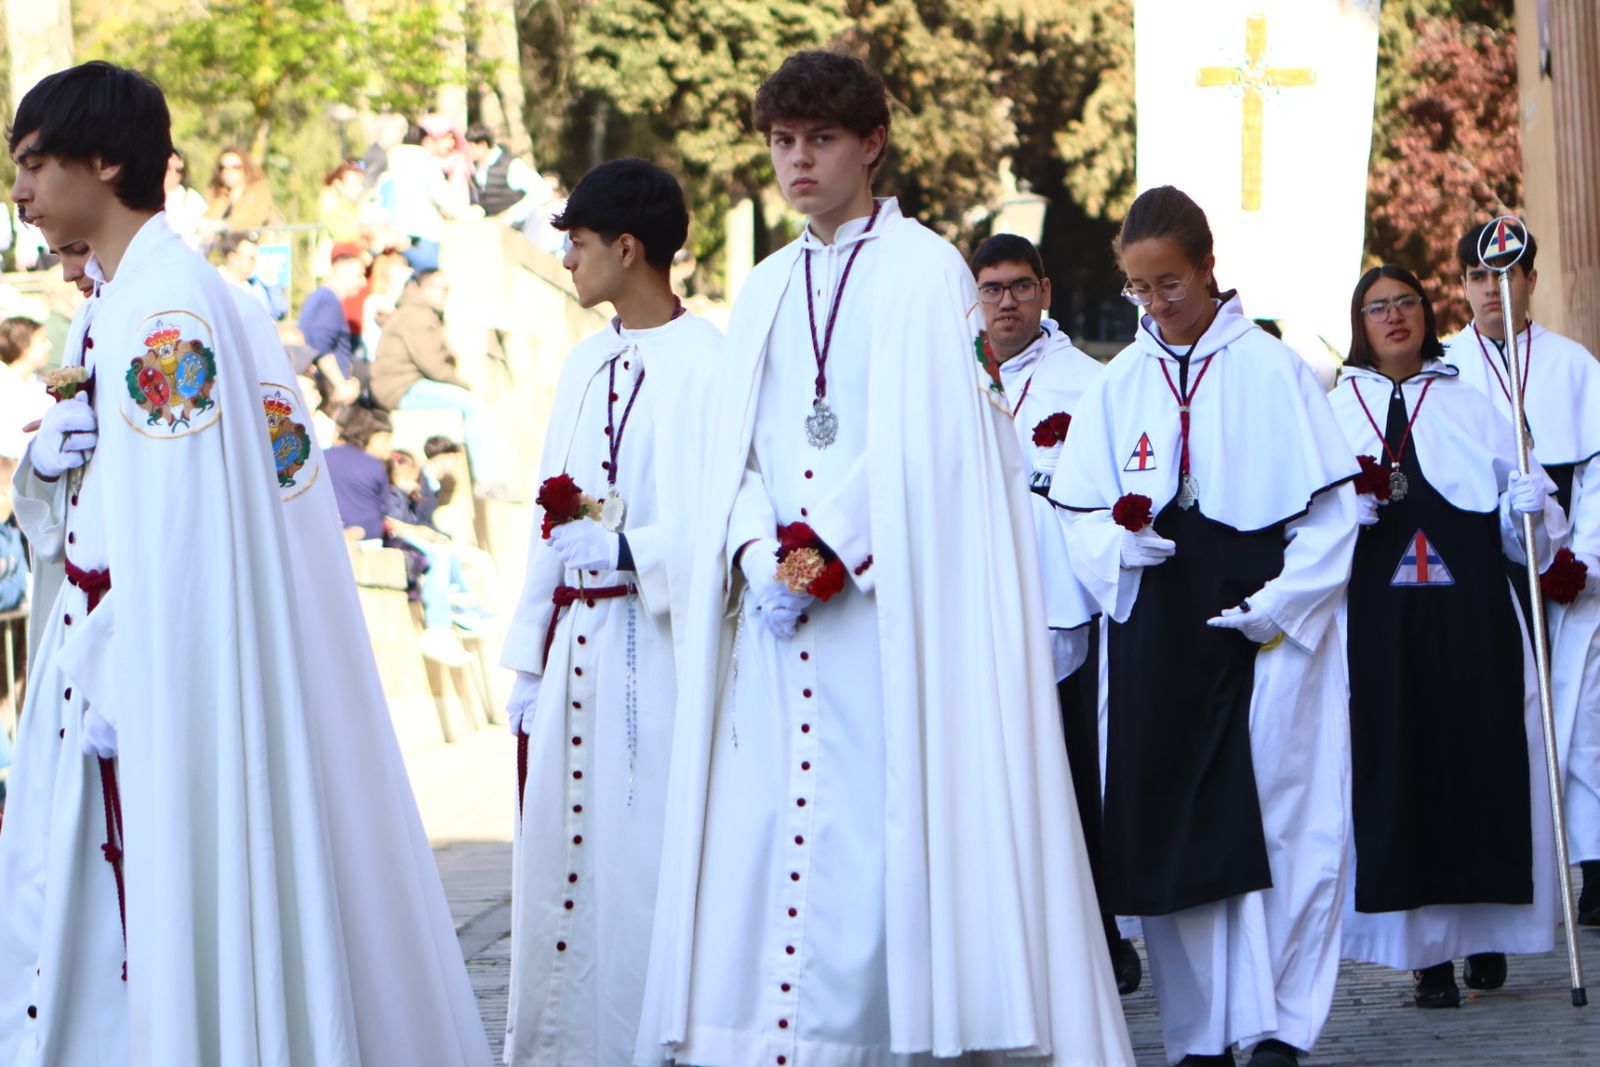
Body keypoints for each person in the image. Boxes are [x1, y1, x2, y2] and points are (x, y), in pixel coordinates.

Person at [635, 50, 1134, 1067]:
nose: (797, 160)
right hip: (777, 615)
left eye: (819, 139)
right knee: (772, 831)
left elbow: (940, 434)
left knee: (878, 832)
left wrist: (825, 552)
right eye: (781, 141)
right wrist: (750, 547)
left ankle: (889, 1034)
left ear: (870, 143)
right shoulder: (768, 282)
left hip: (885, 613)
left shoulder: (926, 268)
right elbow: (730, 448)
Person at [0, 61, 492, 1066]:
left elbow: (184, 525)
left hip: (133, 665)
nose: (19, 190)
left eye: (35, 164)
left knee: (141, 924)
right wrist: (48, 478)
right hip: (106, 642)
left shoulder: (168, 309)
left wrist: (125, 662)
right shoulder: (129, 295)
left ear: (106, 159)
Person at [1051, 185, 1359, 1067]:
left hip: (1258, 629)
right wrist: (1114, 544)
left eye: (1169, 286)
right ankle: (1199, 1032)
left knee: (1276, 817)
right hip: (1158, 629)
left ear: (1208, 269)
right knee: (1169, 820)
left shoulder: (1274, 371)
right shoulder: (1118, 384)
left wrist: (1286, 601)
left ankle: (1275, 1022)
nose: (1154, 306)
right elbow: (1075, 513)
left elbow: (1331, 516)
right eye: (1138, 290)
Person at [499, 157, 720, 1066]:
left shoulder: (712, 363)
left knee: (644, 865)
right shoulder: (585, 361)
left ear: (629, 248)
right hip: (573, 649)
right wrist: (524, 654)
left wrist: (636, 551)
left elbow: (724, 518)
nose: (566, 261)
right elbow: (550, 518)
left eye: (578, 244)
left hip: (657, 648)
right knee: (559, 860)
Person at [1331, 264, 1564, 1009]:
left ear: (1426, 314)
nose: (1393, 316)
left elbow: (1526, 525)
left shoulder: (1472, 402)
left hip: (1471, 621)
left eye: (1405, 303)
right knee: (1396, 766)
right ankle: (1423, 959)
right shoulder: (1335, 410)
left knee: (1479, 759)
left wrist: (1530, 506)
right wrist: (1340, 521)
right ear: (1359, 322)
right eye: (1377, 307)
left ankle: (1483, 931)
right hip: (1378, 624)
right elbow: (1298, 526)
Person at [970, 232, 1143, 996]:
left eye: (1018, 286)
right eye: (991, 287)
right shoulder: (949, 375)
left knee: (1075, 774)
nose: (1005, 301)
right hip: (971, 592)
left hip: (1061, 602)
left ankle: (1102, 934)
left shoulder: (1088, 381)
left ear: (1043, 291)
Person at [1440, 220, 1600, 927]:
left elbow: (1595, 471)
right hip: (1482, 567)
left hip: (1569, 571)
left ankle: (1593, 866)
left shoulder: (1576, 366)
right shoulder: (1443, 370)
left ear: (1531, 278)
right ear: (1464, 285)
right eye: (1479, 276)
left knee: (1583, 719)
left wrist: (1584, 559)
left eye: (1507, 275)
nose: (1493, 289)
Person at [369, 268, 511, 497]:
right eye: (438, 288)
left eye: (446, 289)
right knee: (475, 405)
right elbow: (434, 367)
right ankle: (486, 480)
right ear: (420, 288)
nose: (443, 295)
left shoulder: (415, 312)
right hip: (400, 388)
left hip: (403, 384)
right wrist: (465, 385)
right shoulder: (418, 315)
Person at [376, 124, 463, 271]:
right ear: (426, 140)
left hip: (394, 236)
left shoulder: (389, 160)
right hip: (422, 235)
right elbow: (446, 200)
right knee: (426, 284)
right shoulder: (425, 161)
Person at [297, 247, 365, 405]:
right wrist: (341, 386)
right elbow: (321, 348)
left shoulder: (320, 297)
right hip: (330, 391)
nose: (363, 282)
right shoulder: (329, 301)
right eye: (359, 275)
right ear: (342, 274)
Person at [465, 124, 550, 228]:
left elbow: (542, 191)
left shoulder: (512, 166)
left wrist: (511, 215)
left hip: (518, 234)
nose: (467, 152)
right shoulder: (476, 170)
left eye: (470, 147)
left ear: (482, 145)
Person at [0, 316, 52, 459]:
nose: (49, 345)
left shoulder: (41, 383)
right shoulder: (4, 383)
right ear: (23, 345)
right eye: (42, 340)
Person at [200, 145, 276, 236]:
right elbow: (207, 219)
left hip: (261, 245)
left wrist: (223, 226)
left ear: (245, 167)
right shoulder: (217, 193)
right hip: (226, 246)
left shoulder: (258, 190)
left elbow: (252, 220)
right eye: (222, 167)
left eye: (235, 167)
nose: (228, 172)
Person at [215, 231, 288, 320]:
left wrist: (273, 286)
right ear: (233, 258)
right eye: (251, 258)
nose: (255, 263)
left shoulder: (257, 286)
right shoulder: (214, 285)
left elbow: (278, 314)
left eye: (256, 258)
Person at [161, 149, 206, 249]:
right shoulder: (145, 196)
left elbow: (203, 232)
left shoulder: (192, 199)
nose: (172, 173)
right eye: (168, 168)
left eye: (178, 170)